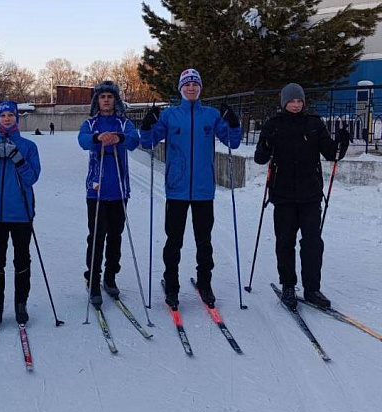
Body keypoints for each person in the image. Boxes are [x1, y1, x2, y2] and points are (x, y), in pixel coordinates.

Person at [140, 69, 241, 309]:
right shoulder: (170, 115)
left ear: (200, 88)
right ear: (181, 89)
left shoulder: (211, 115)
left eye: (195, 84)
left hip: (204, 190)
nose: (191, 88)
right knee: (173, 240)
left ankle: (205, 284)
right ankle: (172, 285)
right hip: (176, 188)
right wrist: (147, 125)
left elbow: (233, 141)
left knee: (204, 241)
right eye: (187, 85)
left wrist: (234, 123)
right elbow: (147, 142)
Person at [254, 83, 349, 310]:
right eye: (291, 101)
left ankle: (312, 289)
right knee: (285, 242)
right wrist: (267, 142)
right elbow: (260, 157)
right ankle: (288, 285)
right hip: (283, 194)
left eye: (299, 101)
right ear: (284, 102)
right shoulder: (274, 125)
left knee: (312, 243)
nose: (296, 105)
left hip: (310, 194)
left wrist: (341, 143)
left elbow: (330, 153)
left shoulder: (314, 124)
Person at [0, 100, 41, 326]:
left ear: (17, 118)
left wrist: (17, 158)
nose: (7, 119)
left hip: (22, 213)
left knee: (22, 260)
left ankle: (21, 303)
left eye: (10, 116)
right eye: (3, 116)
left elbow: (32, 177)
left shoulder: (28, 146)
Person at [78, 81, 140, 307]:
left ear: (116, 100)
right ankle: (93, 279)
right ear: (97, 100)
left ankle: (110, 276)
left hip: (119, 191)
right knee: (96, 237)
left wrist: (119, 138)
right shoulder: (91, 123)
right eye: (102, 96)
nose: (106, 100)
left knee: (115, 236)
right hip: (96, 190)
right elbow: (83, 140)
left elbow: (134, 140)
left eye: (110, 96)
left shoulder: (124, 123)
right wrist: (97, 138)